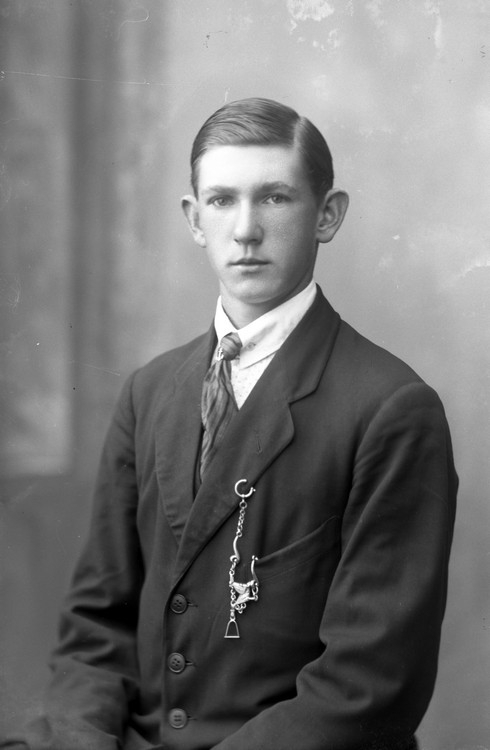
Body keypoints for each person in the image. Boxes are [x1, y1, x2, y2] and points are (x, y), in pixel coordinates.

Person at [14, 98, 457, 749]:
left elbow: (366, 686)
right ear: (195, 219)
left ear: (327, 215)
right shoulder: (149, 392)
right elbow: (95, 632)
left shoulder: (391, 408)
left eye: (274, 197)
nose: (246, 230)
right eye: (222, 200)